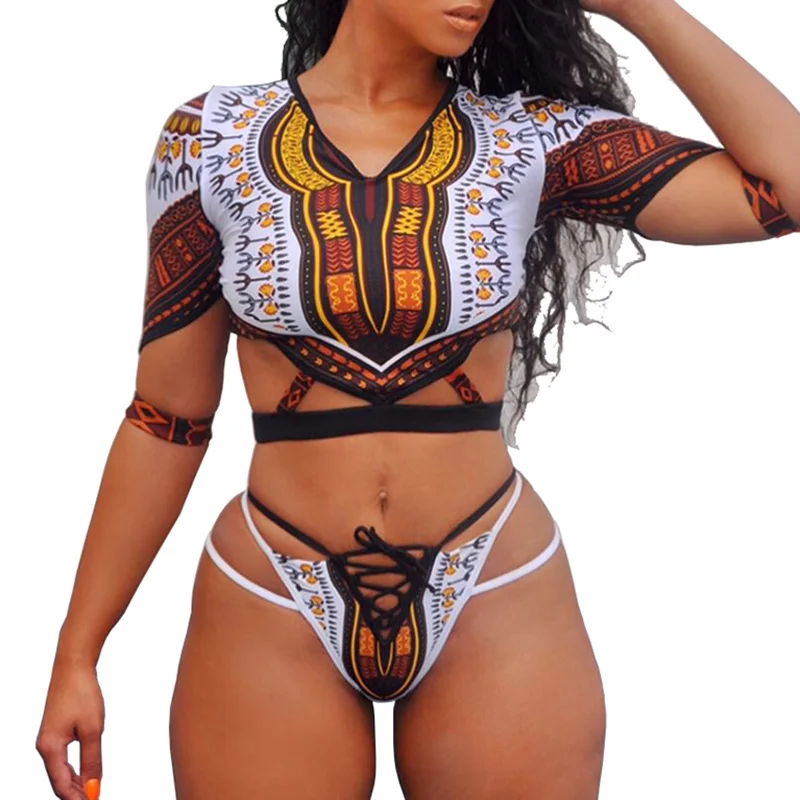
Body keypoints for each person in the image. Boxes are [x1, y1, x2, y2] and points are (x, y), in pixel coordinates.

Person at [35, 0, 800, 797]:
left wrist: (639, 8)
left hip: (496, 580)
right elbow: (167, 420)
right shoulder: (210, 139)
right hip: (271, 588)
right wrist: (77, 654)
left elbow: (785, 191)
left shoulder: (532, 139)